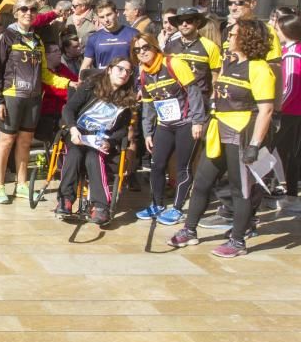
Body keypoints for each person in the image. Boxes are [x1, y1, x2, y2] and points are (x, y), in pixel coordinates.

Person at [168, 19, 275, 258]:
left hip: (242, 134)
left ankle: (238, 241)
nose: (228, 40)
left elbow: (266, 110)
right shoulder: (230, 62)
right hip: (219, 131)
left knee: (241, 190)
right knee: (202, 183)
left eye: (233, 35)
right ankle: (189, 230)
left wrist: (255, 145)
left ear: (247, 38)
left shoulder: (259, 68)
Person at [0, 0, 72, 204]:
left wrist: (68, 84)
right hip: (12, 96)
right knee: (6, 140)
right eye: (24, 9)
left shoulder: (37, 40)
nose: (28, 13)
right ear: (16, 12)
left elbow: (45, 73)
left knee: (25, 142)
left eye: (33, 10)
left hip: (34, 98)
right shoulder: (6, 37)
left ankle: (22, 184)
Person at [132, 33, 206, 226]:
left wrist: (198, 121)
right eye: (137, 50)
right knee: (157, 165)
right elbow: (148, 105)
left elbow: (194, 92)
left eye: (145, 47)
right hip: (164, 125)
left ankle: (178, 208)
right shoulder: (144, 72)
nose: (142, 52)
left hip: (186, 123)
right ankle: (156, 204)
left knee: (183, 167)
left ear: (155, 46)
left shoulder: (173, 63)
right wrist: (148, 132)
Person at [55, 57, 139, 225]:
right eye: (120, 69)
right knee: (75, 153)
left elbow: (122, 129)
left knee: (94, 156)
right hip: (78, 132)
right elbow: (69, 108)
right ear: (110, 69)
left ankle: (100, 206)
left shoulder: (126, 100)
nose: (124, 74)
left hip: (102, 138)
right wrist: (72, 128)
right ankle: (65, 200)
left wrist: (111, 141)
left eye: (128, 72)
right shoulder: (91, 86)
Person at [164, 7, 221, 98]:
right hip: (175, 99)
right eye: (180, 21)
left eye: (189, 20)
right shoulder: (170, 46)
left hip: (200, 98)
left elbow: (216, 75)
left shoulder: (210, 46)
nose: (184, 24)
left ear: (197, 22)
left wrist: (213, 98)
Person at [276, 14, 301, 198]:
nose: (276, 33)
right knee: (290, 152)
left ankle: (276, 188)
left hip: (288, 112)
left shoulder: (292, 54)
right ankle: (291, 189)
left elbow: (290, 88)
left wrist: (277, 109)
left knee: (277, 150)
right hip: (293, 111)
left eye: (277, 29)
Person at [81, 0, 140, 71]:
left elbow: (141, 60)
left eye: (109, 15)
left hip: (128, 79)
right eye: (102, 17)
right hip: (103, 80)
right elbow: (86, 65)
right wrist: (81, 80)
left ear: (117, 13)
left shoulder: (133, 34)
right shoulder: (93, 38)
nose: (106, 20)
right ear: (98, 18)